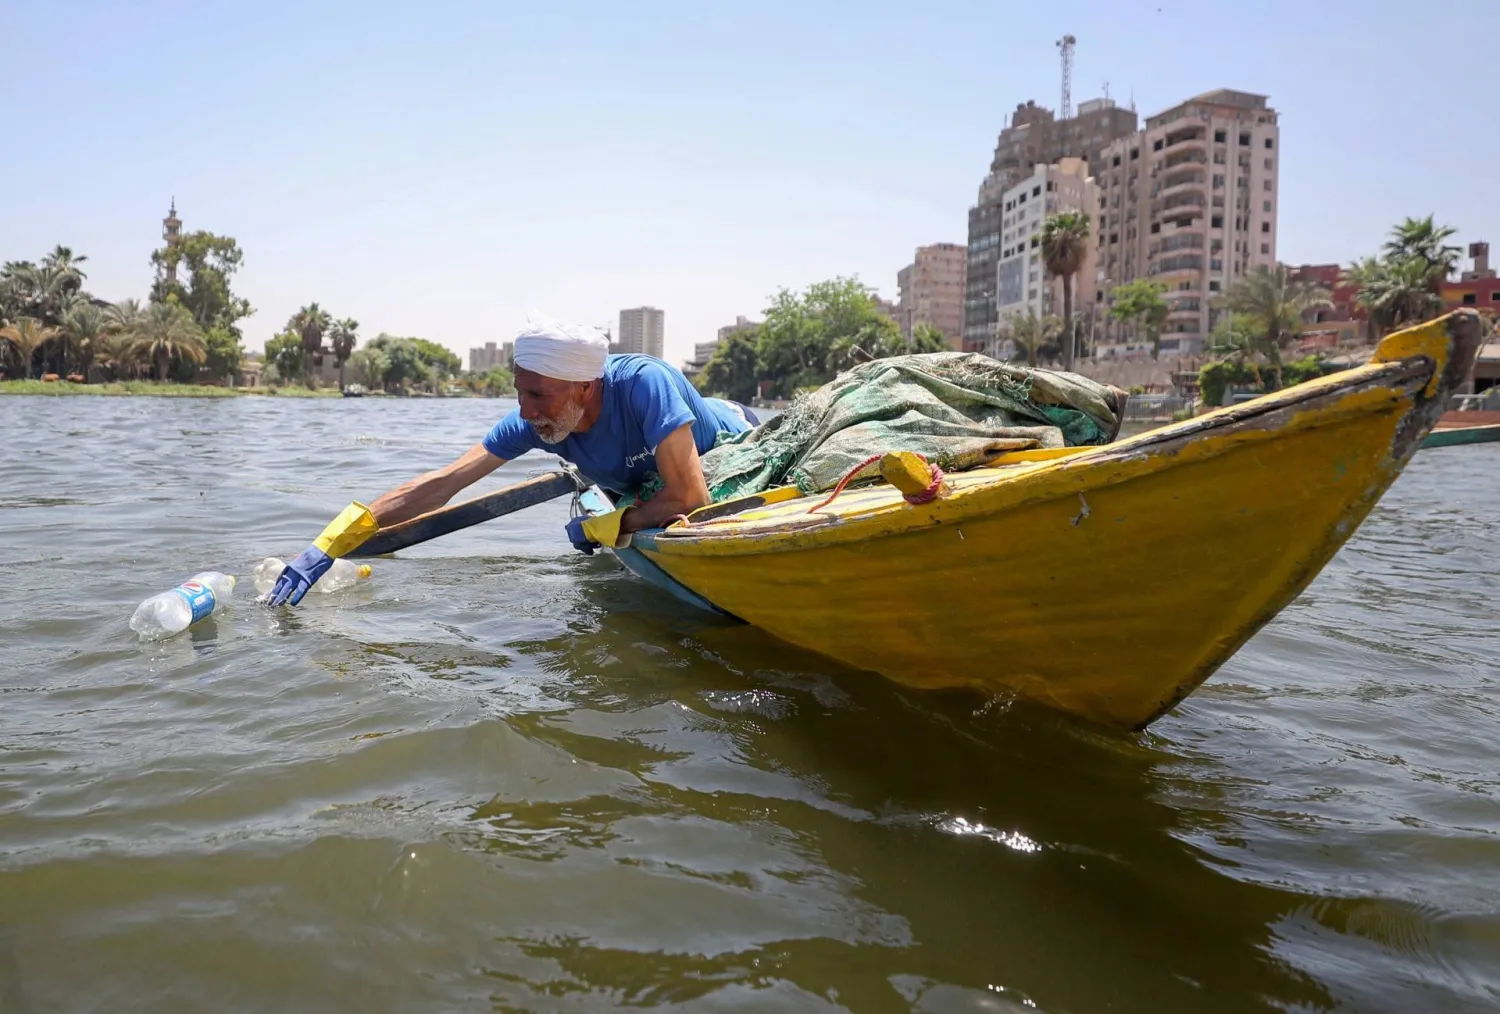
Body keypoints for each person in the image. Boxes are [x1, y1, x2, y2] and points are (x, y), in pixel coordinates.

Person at [264, 313, 756, 606]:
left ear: (585, 387)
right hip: (643, 482)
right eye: (520, 393)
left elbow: (691, 496)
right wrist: (331, 542)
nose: (525, 411)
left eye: (539, 396)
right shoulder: (531, 423)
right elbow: (442, 485)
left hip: (737, 436)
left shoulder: (645, 383)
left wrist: (602, 528)